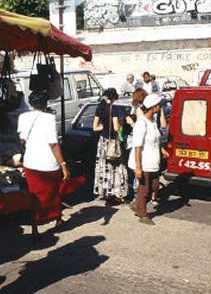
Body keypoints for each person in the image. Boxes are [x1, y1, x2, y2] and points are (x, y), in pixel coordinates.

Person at [19, 91, 83, 242]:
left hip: (30, 162)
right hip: (48, 163)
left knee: (35, 196)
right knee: (54, 193)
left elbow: (22, 141)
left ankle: (35, 229)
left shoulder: (23, 117)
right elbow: (53, 144)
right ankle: (57, 219)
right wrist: (64, 165)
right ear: (45, 103)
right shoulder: (49, 118)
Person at [128, 94, 168, 225]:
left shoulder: (152, 123)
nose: (160, 108)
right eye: (158, 106)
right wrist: (138, 168)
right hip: (144, 162)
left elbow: (155, 140)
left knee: (155, 186)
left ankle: (137, 204)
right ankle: (143, 214)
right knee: (144, 189)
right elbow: (137, 147)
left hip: (153, 161)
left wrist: (162, 150)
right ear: (153, 107)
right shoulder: (141, 123)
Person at [93, 88, 129, 203]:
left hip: (103, 141)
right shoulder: (114, 109)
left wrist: (104, 126)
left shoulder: (100, 107)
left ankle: (104, 192)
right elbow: (115, 127)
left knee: (104, 166)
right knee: (116, 167)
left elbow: (95, 127)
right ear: (113, 98)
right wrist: (121, 123)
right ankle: (117, 192)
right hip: (113, 141)